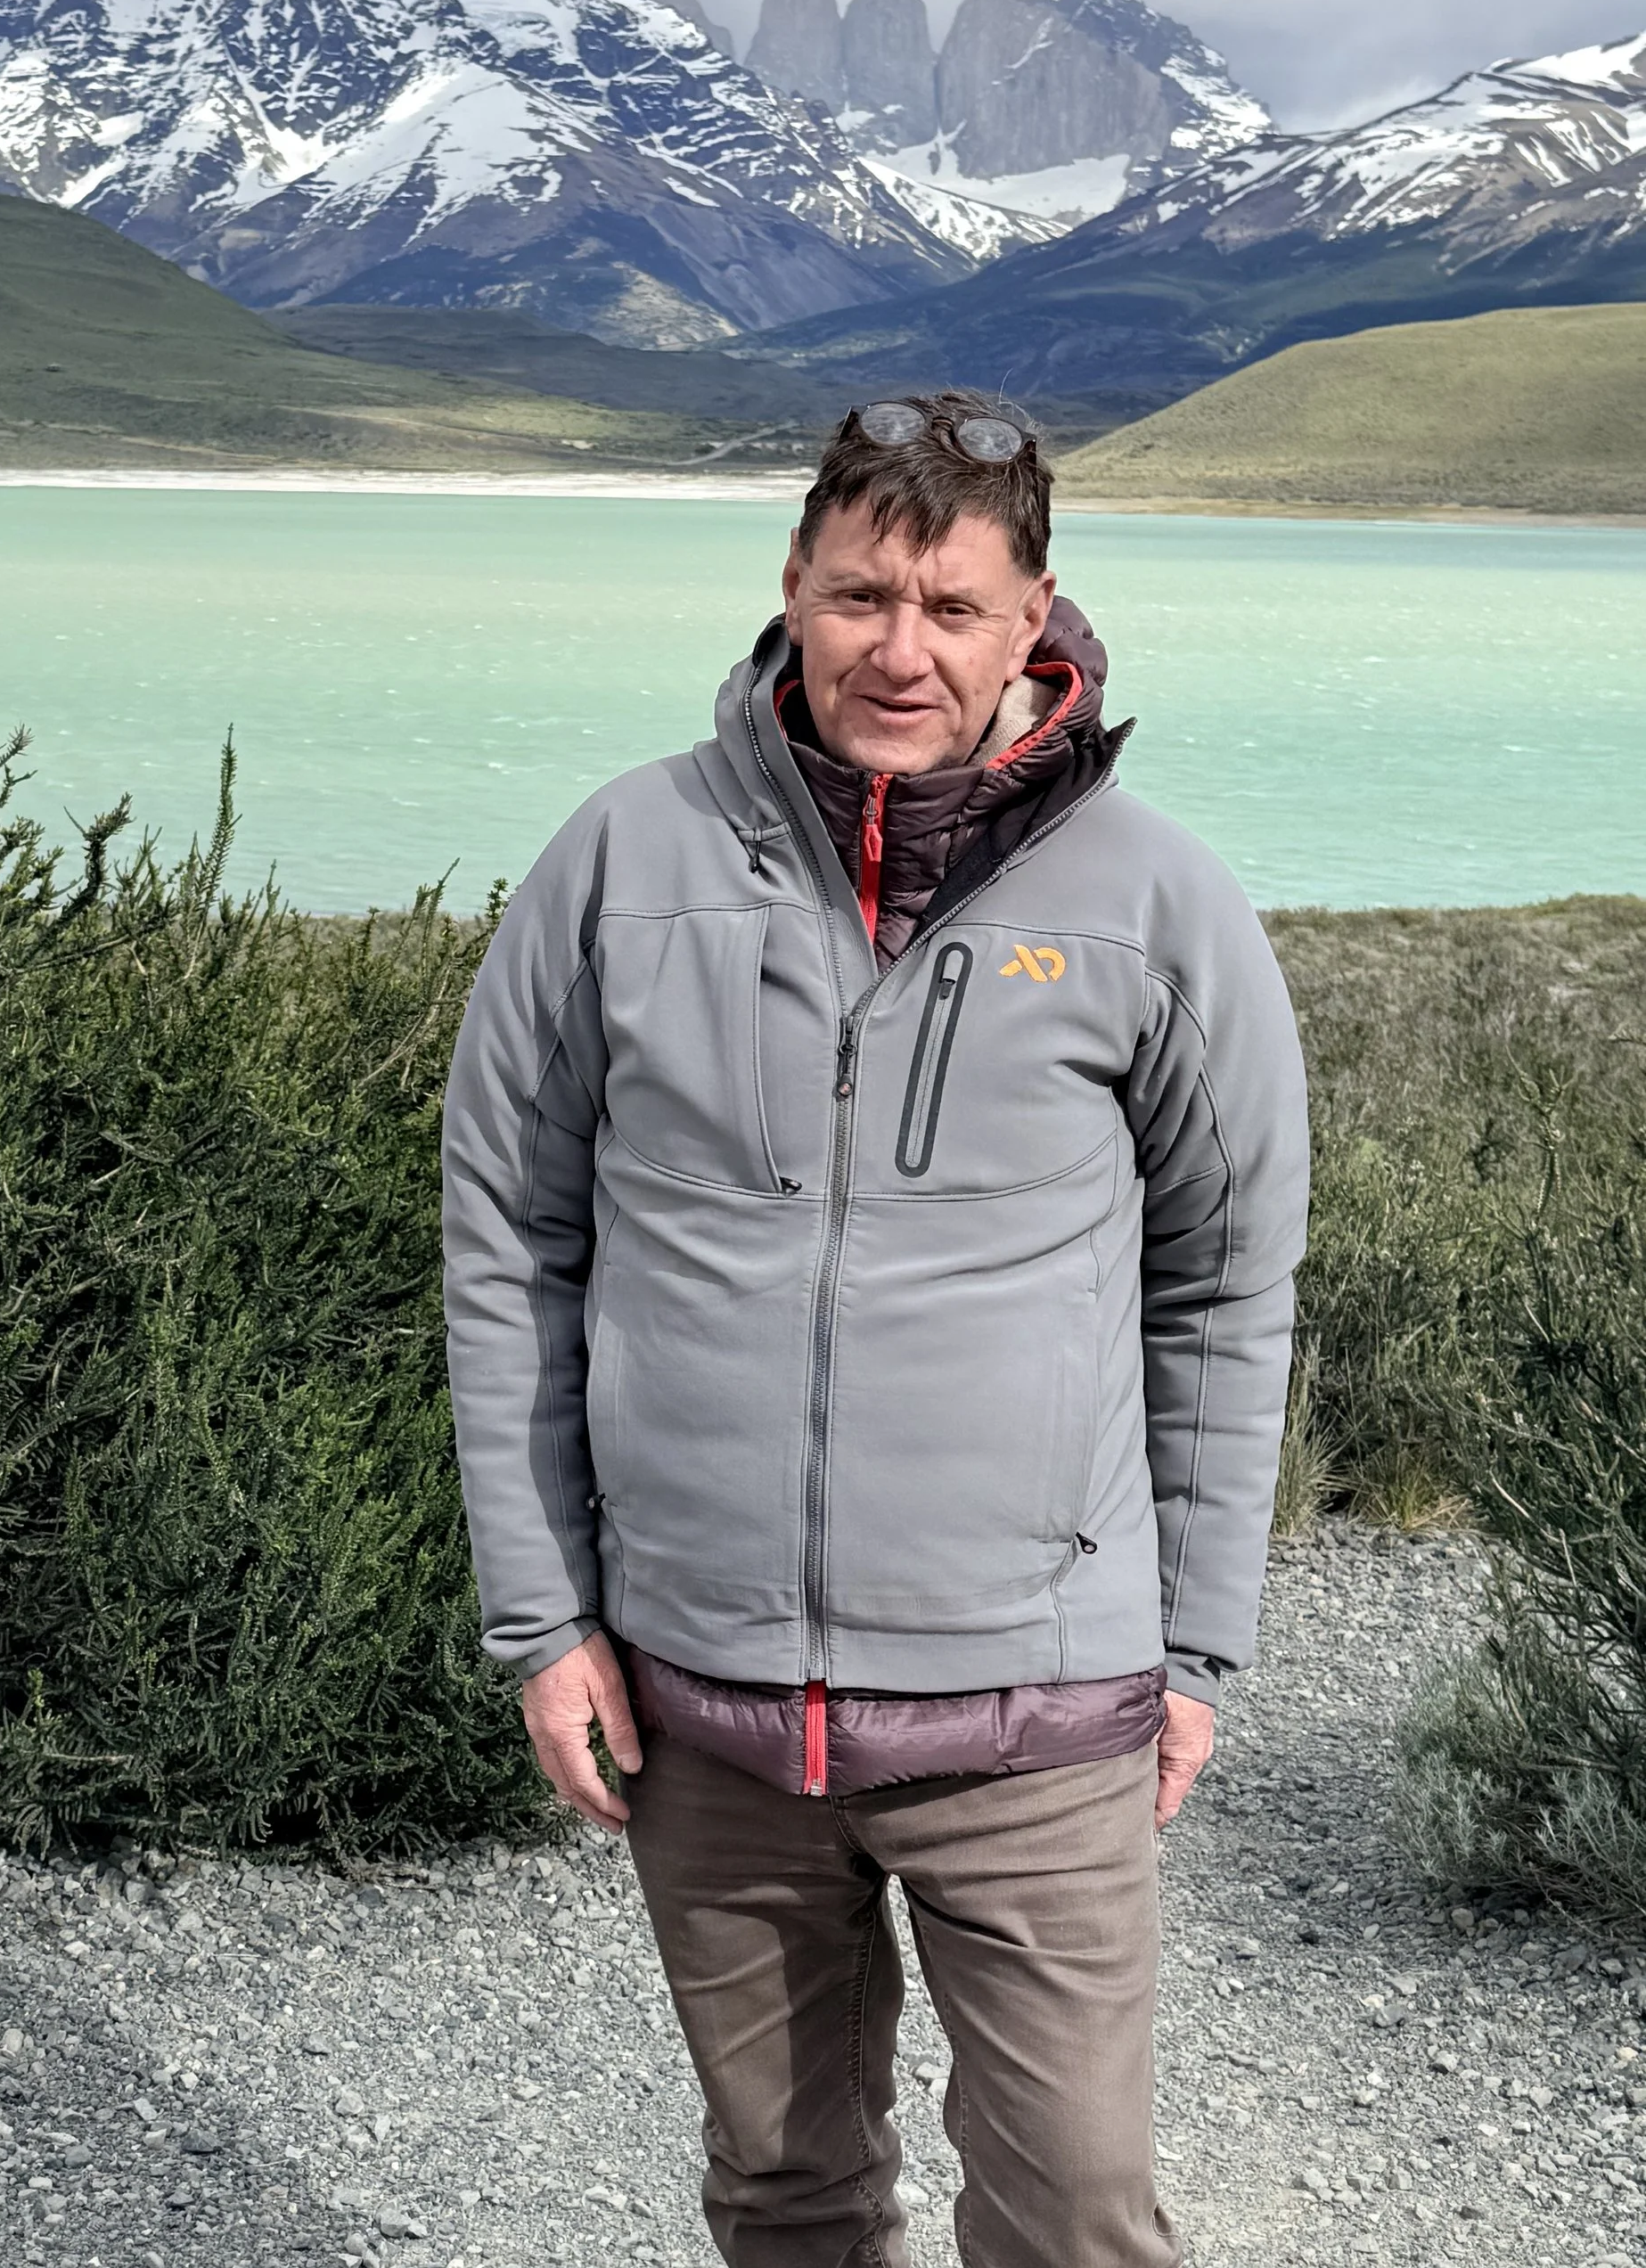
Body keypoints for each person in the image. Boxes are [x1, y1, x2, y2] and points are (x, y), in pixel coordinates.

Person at [442, 393, 1309, 2268]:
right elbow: (511, 1247)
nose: (895, 650)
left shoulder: (1158, 905)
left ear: (1032, 620)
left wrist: (1193, 1643)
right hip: (706, 1704)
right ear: (789, 588)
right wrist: (545, 1622)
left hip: (1038, 1712)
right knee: (783, 2195)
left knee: (1074, 2211)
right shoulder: (614, 866)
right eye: (857, 596)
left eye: (946, 604)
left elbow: (1224, 1292)